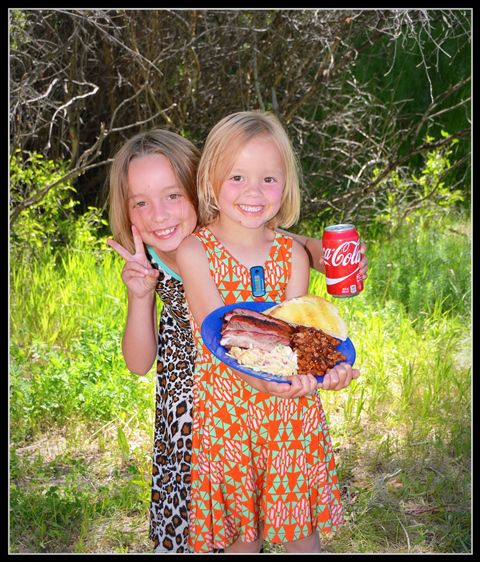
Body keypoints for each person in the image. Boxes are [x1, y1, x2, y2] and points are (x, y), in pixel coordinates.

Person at [107, 128, 367, 553]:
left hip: (276, 402)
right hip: (199, 405)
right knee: (222, 528)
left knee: (289, 521)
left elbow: (292, 303)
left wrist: (327, 370)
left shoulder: (262, 244)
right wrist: (139, 295)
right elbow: (140, 361)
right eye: (141, 203)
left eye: (173, 196)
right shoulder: (151, 260)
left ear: (197, 187)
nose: (159, 214)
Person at [176, 110, 361, 553]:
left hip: (290, 420)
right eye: (237, 177)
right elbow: (216, 335)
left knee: (302, 538)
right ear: (210, 181)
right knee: (244, 540)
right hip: (228, 420)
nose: (253, 192)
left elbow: (299, 340)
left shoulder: (292, 256)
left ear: (286, 186)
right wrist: (263, 381)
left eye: (268, 179)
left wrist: (326, 374)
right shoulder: (194, 252)